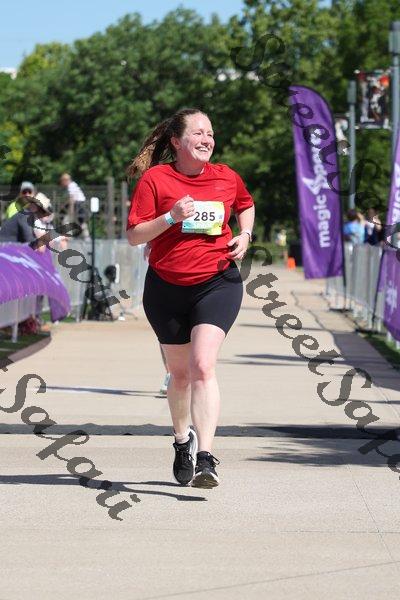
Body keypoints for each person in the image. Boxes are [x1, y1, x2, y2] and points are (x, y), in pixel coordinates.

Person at [126, 108, 255, 488]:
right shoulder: (156, 179)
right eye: (198, 133)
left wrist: (245, 236)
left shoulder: (226, 176)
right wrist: (170, 217)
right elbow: (134, 236)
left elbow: (245, 205)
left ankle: (206, 458)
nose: (206, 139)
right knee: (180, 375)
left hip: (217, 282)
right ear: (176, 141)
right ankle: (182, 441)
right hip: (166, 288)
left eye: (210, 133)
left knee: (202, 366)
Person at [59, 172, 90, 240]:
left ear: (65, 180)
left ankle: (69, 238)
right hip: (80, 205)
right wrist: (64, 205)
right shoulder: (73, 185)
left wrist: (71, 211)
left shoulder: (71, 186)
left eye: (62, 181)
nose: (61, 183)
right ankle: (86, 237)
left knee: (69, 221)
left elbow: (72, 199)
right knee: (80, 222)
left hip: (78, 205)